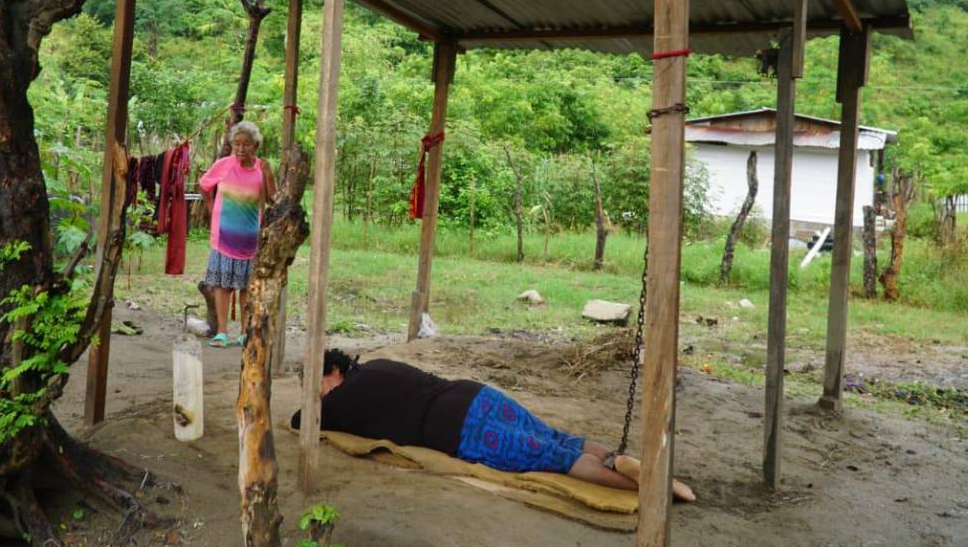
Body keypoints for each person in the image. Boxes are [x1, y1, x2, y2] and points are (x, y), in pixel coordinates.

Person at [292, 349, 695, 500]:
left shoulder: (343, 398)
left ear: (333, 371)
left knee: (552, 458)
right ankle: (620, 458)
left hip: (456, 427)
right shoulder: (379, 362)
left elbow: (299, 421)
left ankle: (642, 487)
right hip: (474, 394)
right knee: (557, 436)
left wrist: (319, 403)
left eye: (319, 386)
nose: (321, 396)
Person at [197, 120, 276, 347]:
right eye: (237, 144)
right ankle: (222, 332)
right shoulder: (224, 164)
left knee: (245, 287)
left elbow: (273, 199)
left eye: (247, 144)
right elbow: (204, 186)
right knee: (222, 285)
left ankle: (243, 332)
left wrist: (269, 176)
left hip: (250, 239)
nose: (241, 149)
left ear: (256, 146)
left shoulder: (262, 168)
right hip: (222, 237)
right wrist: (212, 208)